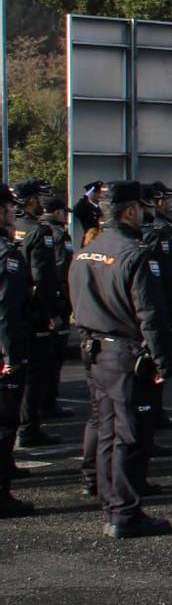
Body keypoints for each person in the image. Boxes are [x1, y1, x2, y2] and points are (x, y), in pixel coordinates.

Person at [70, 181, 172, 537]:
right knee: (130, 435)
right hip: (124, 353)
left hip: (93, 350)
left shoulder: (86, 250)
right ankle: (125, 514)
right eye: (142, 208)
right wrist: (161, 360)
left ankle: (111, 503)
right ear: (130, 211)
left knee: (107, 432)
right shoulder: (135, 252)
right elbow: (149, 312)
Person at [14, 181, 72, 449]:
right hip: (34, 310)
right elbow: (43, 277)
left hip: (13, 307)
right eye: (39, 197)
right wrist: (52, 312)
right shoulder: (39, 232)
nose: (42, 202)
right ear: (29, 200)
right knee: (35, 371)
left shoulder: (11, 229)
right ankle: (29, 427)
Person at [138, 182, 172, 438]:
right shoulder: (153, 232)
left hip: (168, 304)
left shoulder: (165, 228)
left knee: (161, 362)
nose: (168, 204)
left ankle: (156, 410)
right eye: (165, 199)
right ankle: (150, 414)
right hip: (159, 305)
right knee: (152, 364)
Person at [0, 185, 37, 517]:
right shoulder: (7, 256)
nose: (14, 214)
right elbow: (7, 311)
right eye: (10, 209)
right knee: (4, 421)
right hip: (4, 351)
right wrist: (11, 355)